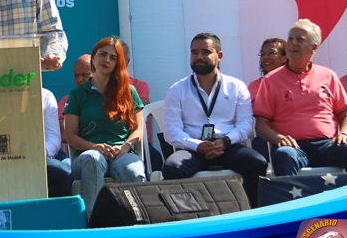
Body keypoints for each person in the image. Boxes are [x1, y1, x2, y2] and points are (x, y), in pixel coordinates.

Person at [161, 33, 267, 207]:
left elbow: (246, 125)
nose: (199, 57)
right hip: (193, 149)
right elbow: (171, 131)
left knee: (257, 163)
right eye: (194, 52)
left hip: (227, 146)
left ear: (220, 55)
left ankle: (250, 213)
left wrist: (225, 141)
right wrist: (197, 145)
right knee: (172, 167)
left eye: (206, 52)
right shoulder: (177, 89)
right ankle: (187, 217)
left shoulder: (236, 87)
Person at [254, 19, 347, 176]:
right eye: (290, 39)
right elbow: (261, 125)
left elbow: (346, 117)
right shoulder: (271, 80)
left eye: (300, 40)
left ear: (314, 47)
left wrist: (344, 135)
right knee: (284, 155)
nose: (293, 44)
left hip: (327, 145)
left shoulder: (328, 76)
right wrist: (278, 138)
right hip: (293, 147)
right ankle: (292, 194)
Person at [63, 37, 146, 216]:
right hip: (87, 155)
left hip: (121, 152)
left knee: (134, 170)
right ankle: (93, 224)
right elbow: (70, 136)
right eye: (102, 54)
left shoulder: (129, 91)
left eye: (113, 57)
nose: (106, 60)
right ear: (93, 58)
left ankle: (137, 222)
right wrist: (94, 147)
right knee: (93, 160)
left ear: (117, 64)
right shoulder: (77, 94)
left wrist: (125, 147)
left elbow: (138, 130)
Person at [118, 39, 163, 172]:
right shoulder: (97, 88)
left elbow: (141, 107)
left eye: (119, 57)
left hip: (137, 140)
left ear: (127, 62)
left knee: (155, 157)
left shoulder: (139, 86)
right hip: (109, 140)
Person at [248, 37, 287, 159]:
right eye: (263, 54)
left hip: (298, 134)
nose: (266, 57)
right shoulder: (256, 86)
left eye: (271, 53)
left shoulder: (295, 82)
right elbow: (259, 110)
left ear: (285, 57)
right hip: (269, 137)